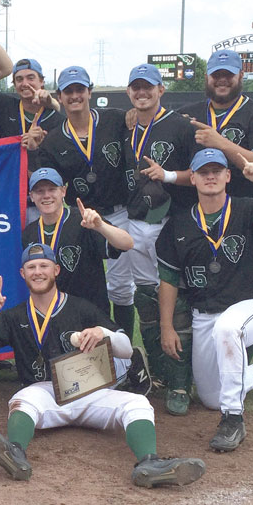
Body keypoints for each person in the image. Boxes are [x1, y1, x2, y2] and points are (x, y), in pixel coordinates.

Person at [0, 243, 205, 488]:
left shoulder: (81, 307)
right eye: (31, 267)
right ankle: (15, 453)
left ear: (56, 270)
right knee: (22, 400)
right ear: (23, 274)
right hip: (44, 393)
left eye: (44, 266)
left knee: (137, 403)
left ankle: (149, 463)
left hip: (89, 391)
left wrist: (102, 333)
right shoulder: (14, 315)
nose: (38, 271)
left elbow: (125, 348)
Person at [156, 148, 253, 452]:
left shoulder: (250, 209)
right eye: (203, 171)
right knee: (212, 398)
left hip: (250, 307)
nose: (210, 176)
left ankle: (233, 419)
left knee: (228, 330)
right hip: (204, 315)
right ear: (192, 178)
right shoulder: (179, 225)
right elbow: (168, 280)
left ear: (227, 176)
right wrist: (166, 326)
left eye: (216, 171)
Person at [20, 168, 149, 394]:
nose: (46, 195)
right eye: (39, 191)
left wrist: (100, 225)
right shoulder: (30, 232)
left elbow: (127, 243)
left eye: (52, 189)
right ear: (31, 196)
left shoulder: (84, 220)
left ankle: (129, 362)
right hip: (55, 319)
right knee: (50, 383)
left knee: (81, 388)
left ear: (63, 191)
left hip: (89, 314)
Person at [121, 63, 200, 415]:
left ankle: (181, 380)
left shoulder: (180, 126)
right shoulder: (125, 127)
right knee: (146, 298)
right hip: (135, 221)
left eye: (148, 87)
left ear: (161, 90)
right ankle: (160, 376)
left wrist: (166, 175)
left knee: (176, 300)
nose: (142, 93)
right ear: (128, 92)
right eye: (136, 88)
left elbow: (202, 174)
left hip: (174, 221)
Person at [33, 66, 134, 336]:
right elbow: (47, 182)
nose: (75, 96)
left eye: (80, 90)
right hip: (79, 217)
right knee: (80, 279)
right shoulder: (53, 140)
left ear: (90, 92)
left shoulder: (116, 119)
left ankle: (123, 349)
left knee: (122, 287)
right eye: (69, 91)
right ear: (61, 96)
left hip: (117, 212)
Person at [179, 49, 253, 278]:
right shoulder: (189, 114)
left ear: (241, 76)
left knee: (246, 283)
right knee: (202, 281)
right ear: (207, 77)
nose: (222, 80)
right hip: (202, 212)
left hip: (248, 211)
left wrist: (221, 143)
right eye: (216, 75)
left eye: (228, 74)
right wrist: (133, 116)